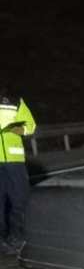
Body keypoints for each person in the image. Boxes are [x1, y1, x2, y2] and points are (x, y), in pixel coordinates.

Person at [0, 87, 35, 255]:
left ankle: (17, 237)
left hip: (14, 161)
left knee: (19, 199)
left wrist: (23, 130)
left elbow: (31, 124)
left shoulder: (14, 100)